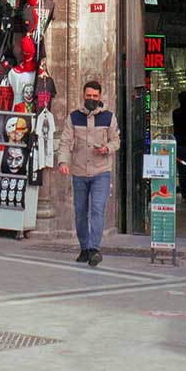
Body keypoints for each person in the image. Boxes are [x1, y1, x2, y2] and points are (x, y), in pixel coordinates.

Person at [57, 80, 120, 267]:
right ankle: (84, 248)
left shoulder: (109, 117)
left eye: (95, 96)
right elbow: (65, 142)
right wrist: (63, 162)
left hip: (101, 171)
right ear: (83, 96)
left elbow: (116, 141)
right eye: (88, 96)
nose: (91, 99)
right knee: (80, 212)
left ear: (100, 97)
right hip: (79, 171)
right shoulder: (73, 117)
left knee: (97, 209)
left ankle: (94, 249)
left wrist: (107, 149)